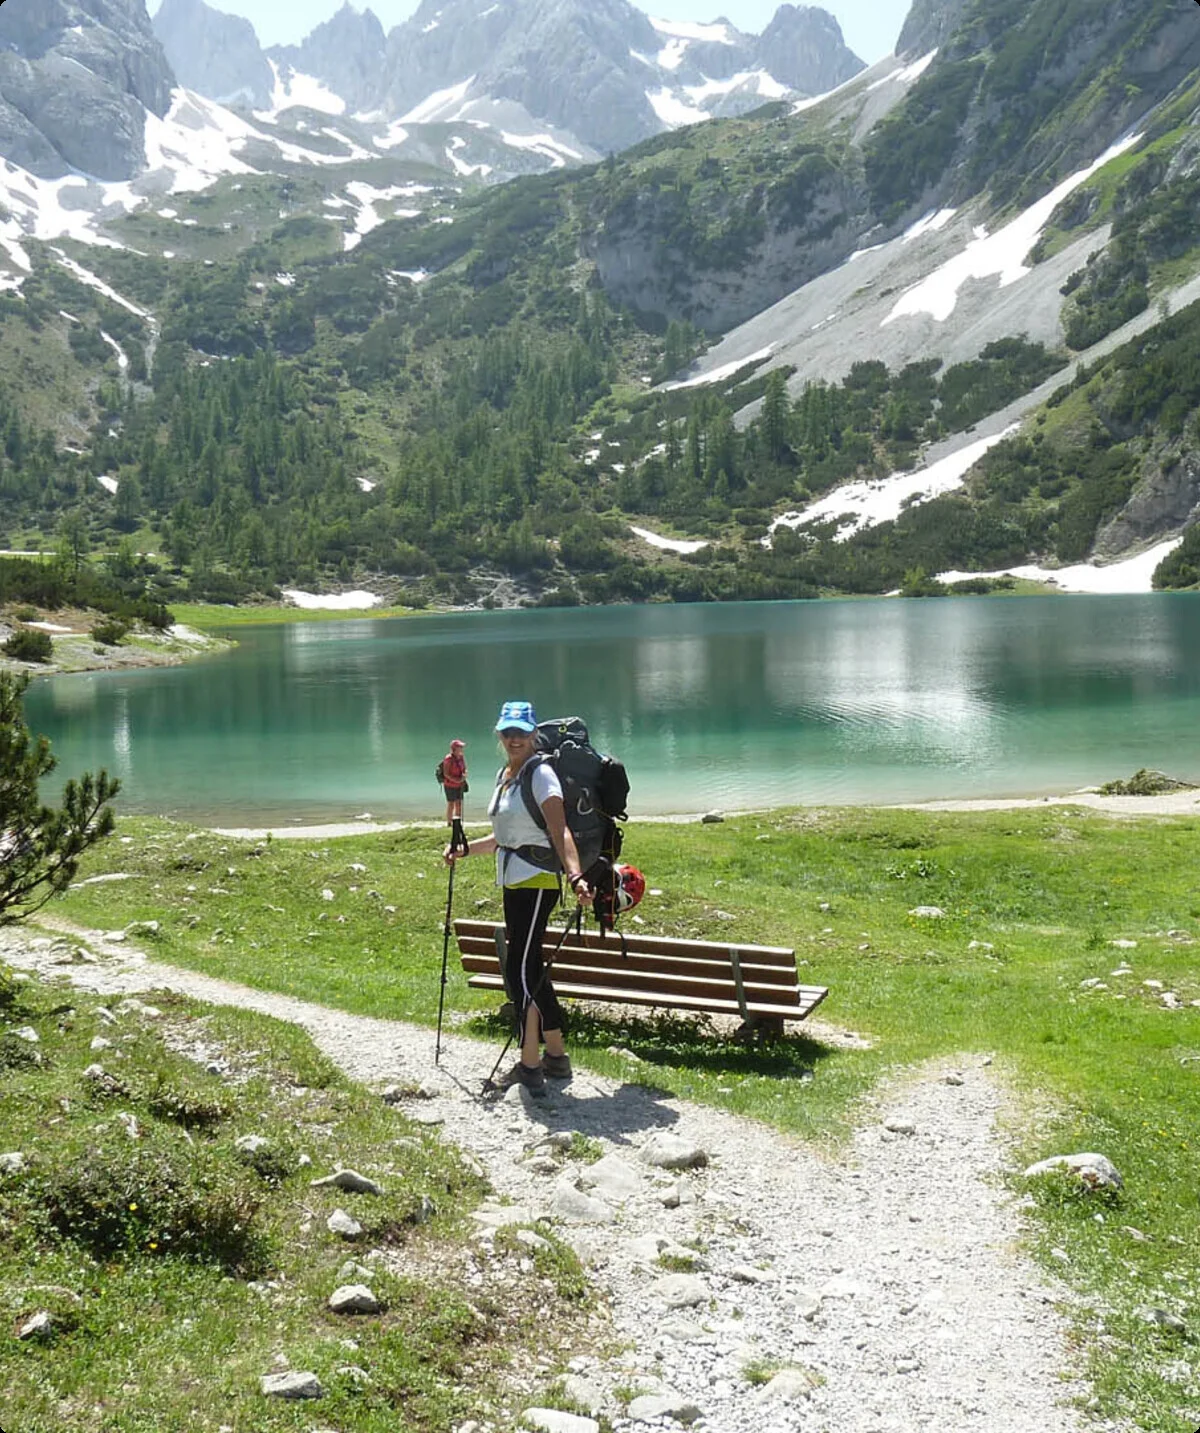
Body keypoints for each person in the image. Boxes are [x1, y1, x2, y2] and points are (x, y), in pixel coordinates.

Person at [444, 699, 592, 1097]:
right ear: (499, 734)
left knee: (521, 971)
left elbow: (560, 833)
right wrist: (464, 850)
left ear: (533, 734)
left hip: (538, 880)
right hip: (513, 879)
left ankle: (529, 1065)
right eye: (507, 732)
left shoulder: (541, 775)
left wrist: (576, 876)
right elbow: (505, 839)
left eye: (521, 732)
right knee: (530, 966)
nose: (514, 738)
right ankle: (556, 1056)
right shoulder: (506, 775)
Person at [439, 738, 468, 826]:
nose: (462, 748)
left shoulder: (461, 757)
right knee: (451, 804)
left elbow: (465, 768)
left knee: (459, 803)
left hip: (460, 784)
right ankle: (449, 822)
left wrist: (464, 775)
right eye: (460, 747)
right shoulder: (448, 759)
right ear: (454, 748)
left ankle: (457, 822)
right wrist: (457, 780)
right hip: (450, 785)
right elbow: (446, 774)